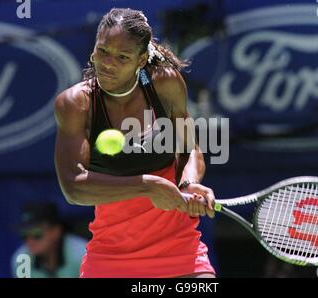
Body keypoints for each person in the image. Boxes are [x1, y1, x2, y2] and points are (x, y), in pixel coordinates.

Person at [54, 7, 216, 278]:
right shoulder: (76, 103)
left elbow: (189, 148)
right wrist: (147, 186)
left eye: (122, 57)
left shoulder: (166, 84)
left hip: (182, 256)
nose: (107, 63)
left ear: (141, 60)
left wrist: (188, 183)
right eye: (102, 51)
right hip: (109, 261)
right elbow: (73, 187)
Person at [11, 202, 87, 278]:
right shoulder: (22, 261)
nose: (29, 240)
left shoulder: (82, 256)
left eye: (36, 233)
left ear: (56, 231)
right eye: (24, 234)